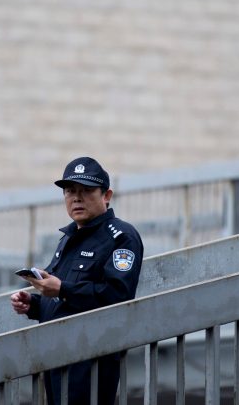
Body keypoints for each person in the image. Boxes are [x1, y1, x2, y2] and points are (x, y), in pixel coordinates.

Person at [10, 157, 143, 405]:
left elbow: (117, 296)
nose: (77, 198)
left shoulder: (121, 236)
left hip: (91, 359)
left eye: (86, 190)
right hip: (57, 355)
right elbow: (65, 299)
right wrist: (34, 304)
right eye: (70, 191)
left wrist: (61, 289)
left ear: (107, 195)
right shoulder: (68, 238)